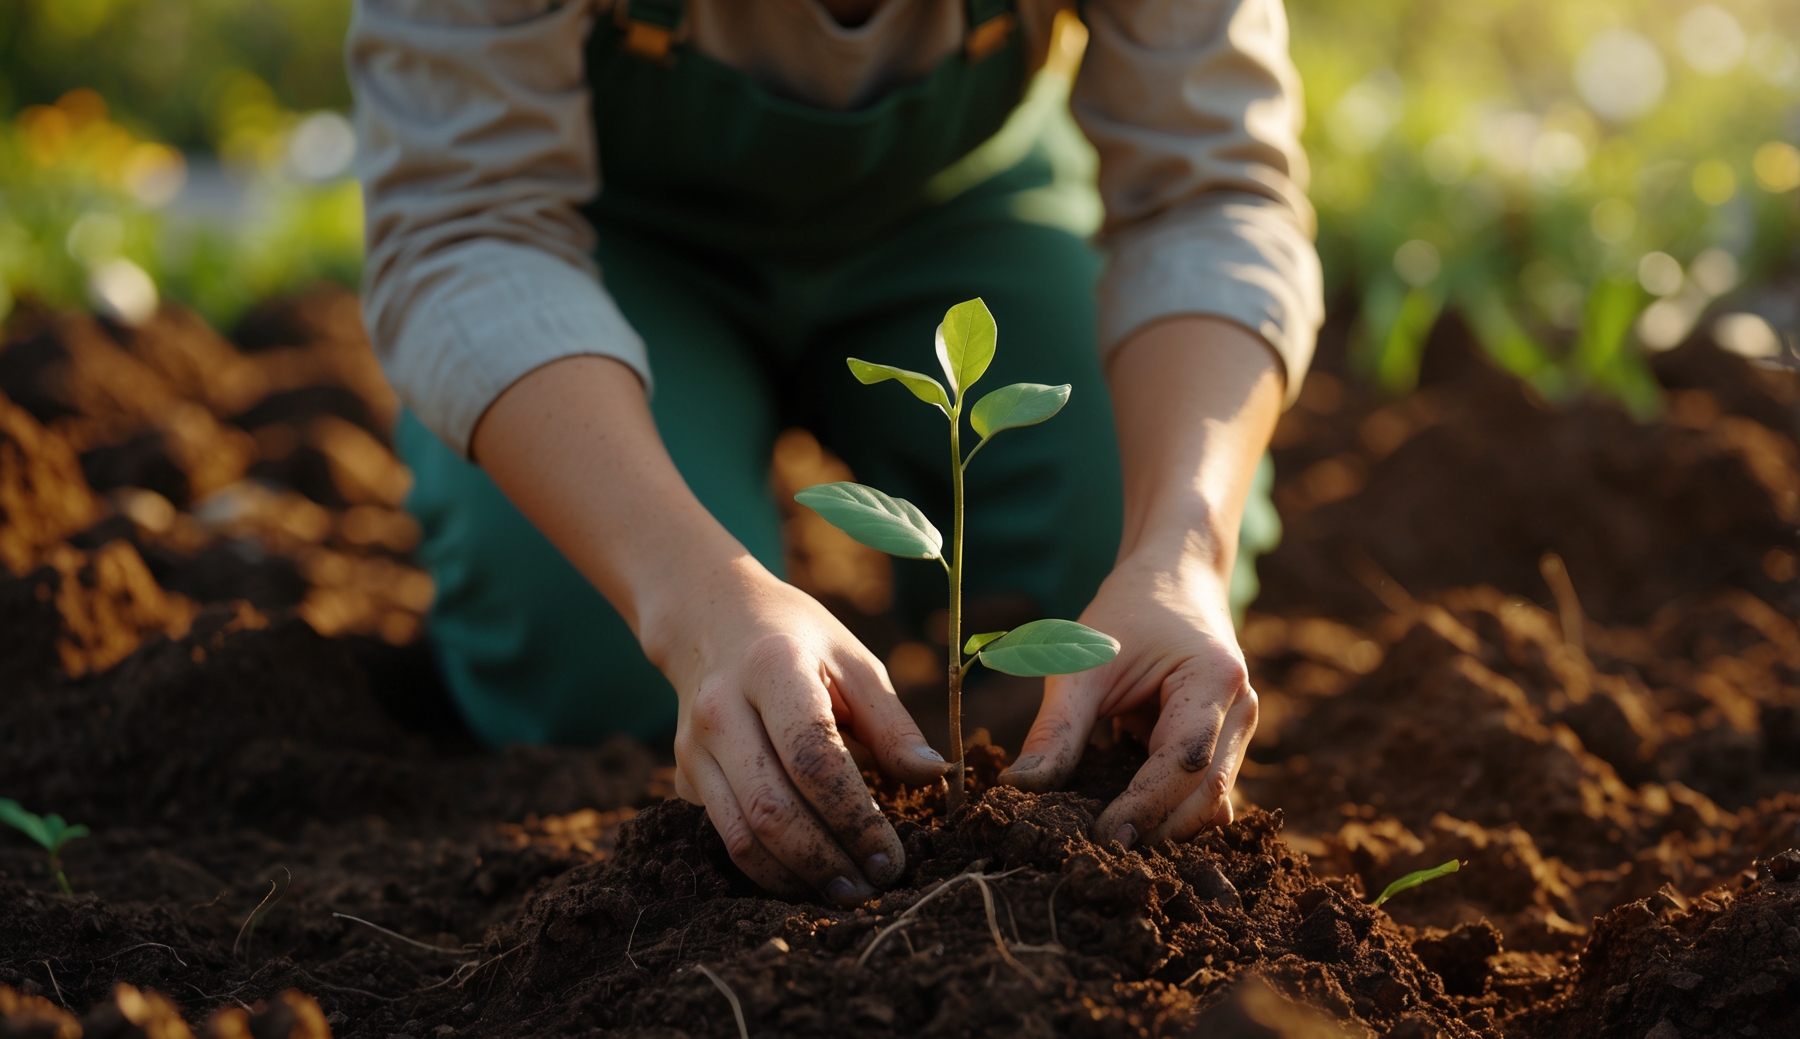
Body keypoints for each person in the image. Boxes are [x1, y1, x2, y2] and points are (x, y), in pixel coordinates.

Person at [348, 0, 1322, 906]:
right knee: (601, 663)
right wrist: (692, 598)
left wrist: (1182, 550)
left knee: (1114, 623)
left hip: (958, 208)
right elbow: (465, 226)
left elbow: (1212, 193)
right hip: (596, 245)